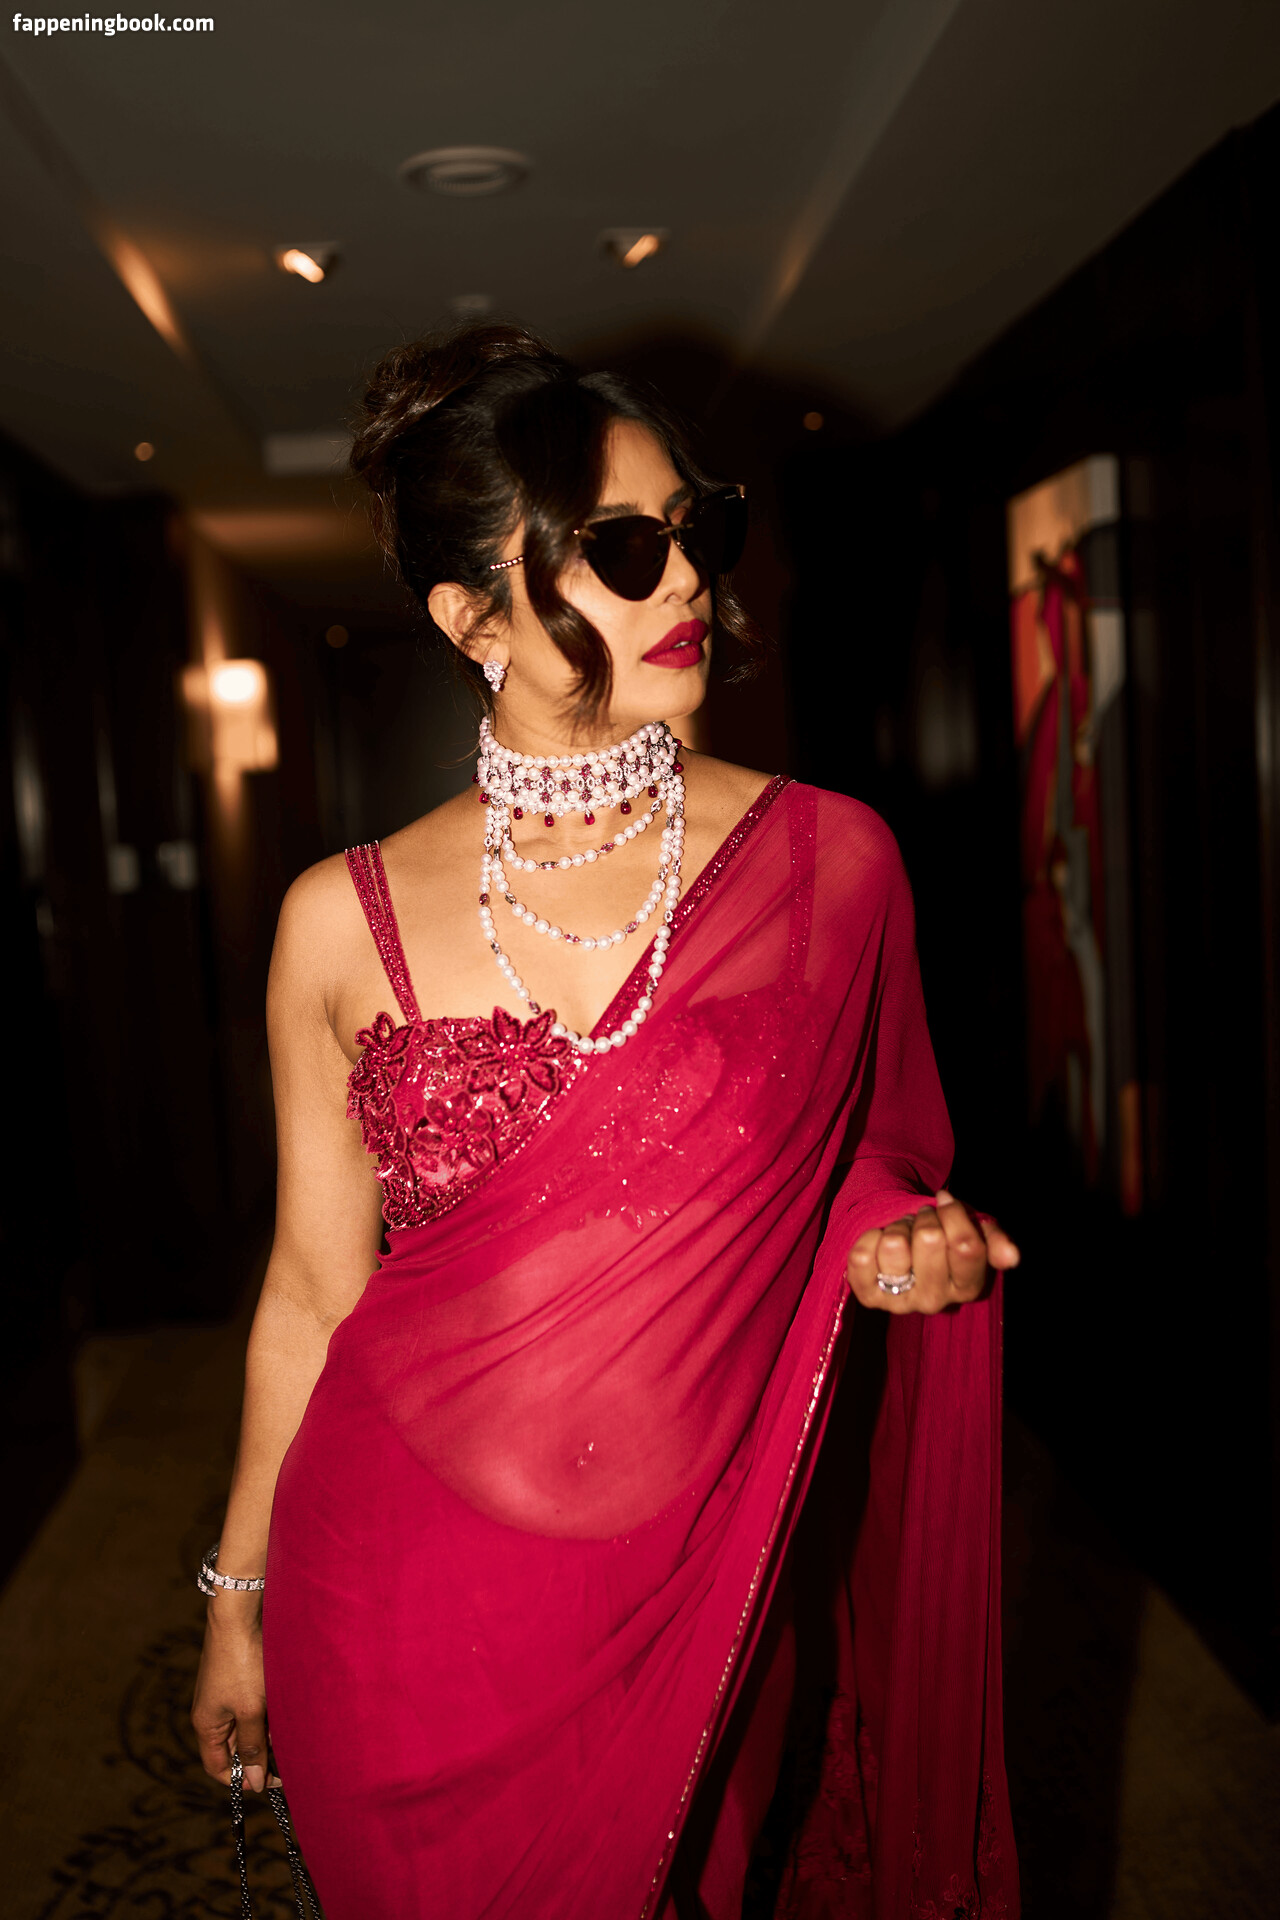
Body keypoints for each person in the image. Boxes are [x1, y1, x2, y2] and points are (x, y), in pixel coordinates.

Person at [191, 323, 1022, 1919]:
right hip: (390, 1606)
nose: (688, 578)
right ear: (470, 617)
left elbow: (877, 1151)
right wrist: (239, 1595)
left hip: (691, 1596)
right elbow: (310, 1289)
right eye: (624, 550)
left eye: (697, 530)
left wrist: (896, 1233)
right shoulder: (337, 919)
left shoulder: (830, 869)